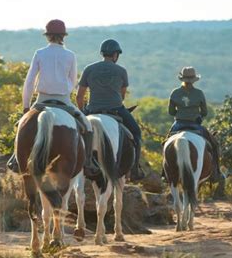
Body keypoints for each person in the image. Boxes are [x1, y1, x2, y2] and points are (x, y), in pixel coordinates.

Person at [7, 19, 100, 176]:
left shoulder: (40, 53)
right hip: (64, 101)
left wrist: (26, 106)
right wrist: (63, 89)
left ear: (47, 36)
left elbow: (29, 81)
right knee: (88, 126)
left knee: (21, 125)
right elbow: (73, 82)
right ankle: (88, 162)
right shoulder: (70, 55)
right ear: (63, 36)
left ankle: (16, 159)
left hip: (41, 101)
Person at [76, 39, 145, 181]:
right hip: (116, 110)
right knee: (136, 133)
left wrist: (83, 112)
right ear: (115, 55)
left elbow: (79, 96)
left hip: (92, 109)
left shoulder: (89, 69)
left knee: (73, 133)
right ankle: (134, 170)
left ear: (102, 53)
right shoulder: (121, 71)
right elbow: (122, 95)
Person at [166, 66, 221, 180]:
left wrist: (180, 113)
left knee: (166, 144)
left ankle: (165, 172)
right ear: (194, 79)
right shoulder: (199, 93)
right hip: (195, 125)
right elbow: (204, 112)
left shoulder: (175, 93)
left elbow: (171, 112)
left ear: (182, 79)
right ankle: (216, 172)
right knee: (214, 145)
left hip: (178, 124)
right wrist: (198, 116)